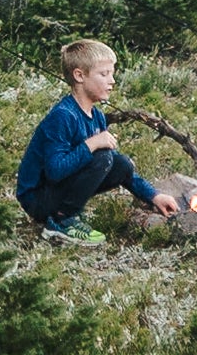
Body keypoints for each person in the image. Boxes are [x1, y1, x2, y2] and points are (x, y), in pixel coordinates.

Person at [15, 38, 180, 245]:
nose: (112, 81)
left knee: (120, 163)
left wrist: (153, 196)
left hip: (56, 191)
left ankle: (65, 212)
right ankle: (60, 222)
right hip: (37, 198)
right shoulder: (63, 116)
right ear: (79, 76)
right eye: (104, 74)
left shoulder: (98, 117)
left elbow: (117, 166)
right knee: (102, 157)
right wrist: (92, 144)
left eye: (112, 73)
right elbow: (54, 170)